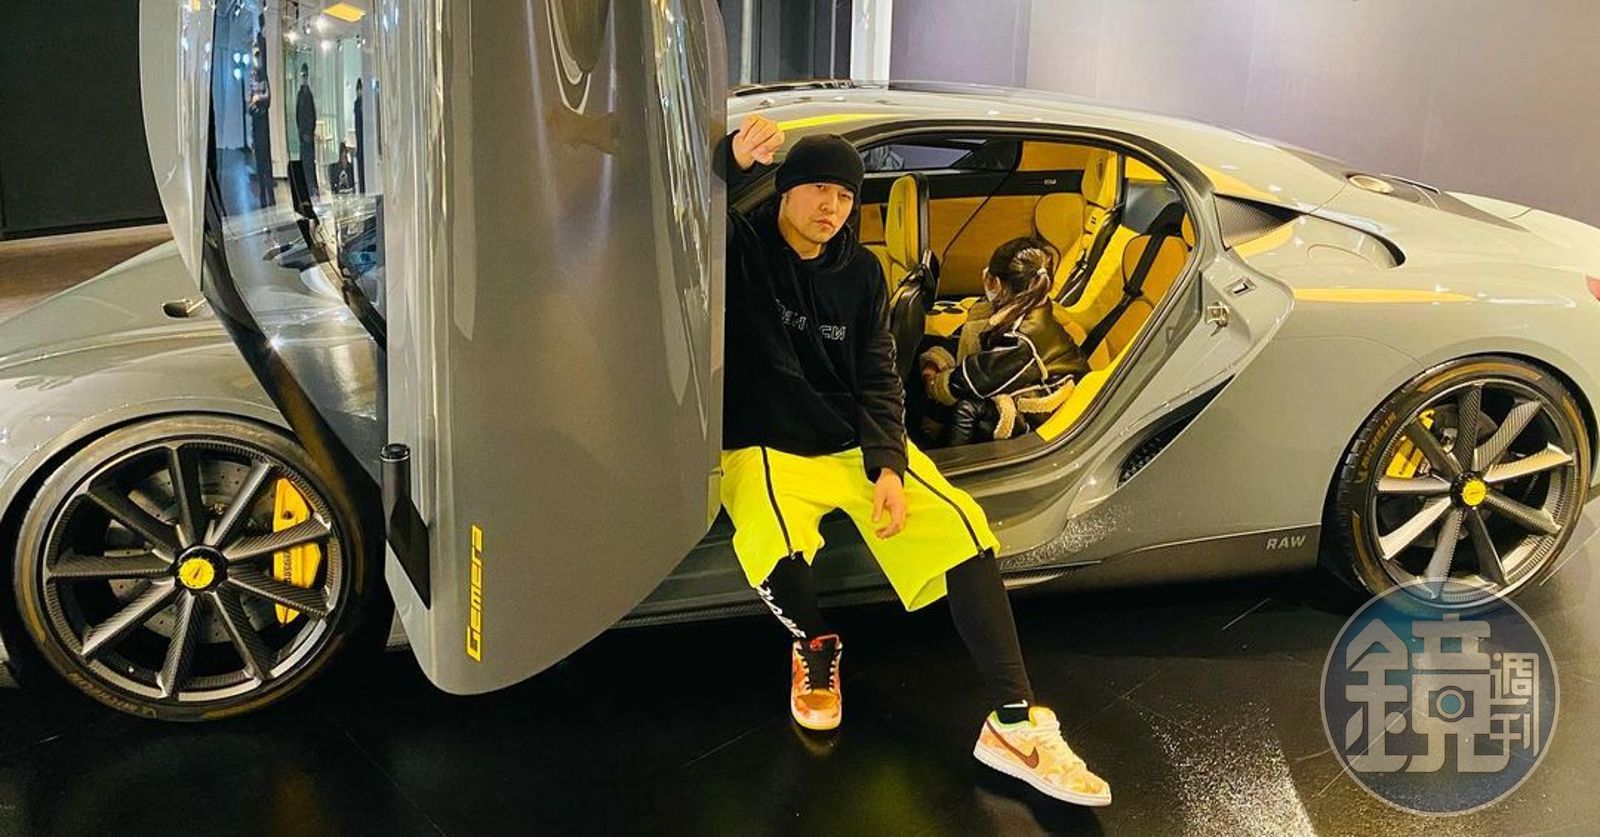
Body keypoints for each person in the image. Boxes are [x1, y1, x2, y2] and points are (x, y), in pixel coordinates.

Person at [717, 114, 1112, 807]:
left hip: (850, 438)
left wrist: (889, 467)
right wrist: (727, 164)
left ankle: (1014, 721)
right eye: (818, 190)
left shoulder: (863, 271)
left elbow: (879, 375)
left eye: (844, 196)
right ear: (786, 190)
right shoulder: (745, 246)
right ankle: (816, 645)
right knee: (771, 542)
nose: (831, 207)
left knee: (964, 529)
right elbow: (684, 221)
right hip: (766, 439)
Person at [919, 239, 1090, 445]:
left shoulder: (1023, 338)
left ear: (997, 284)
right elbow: (967, 339)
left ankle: (946, 456)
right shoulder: (1016, 307)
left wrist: (934, 383)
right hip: (1022, 381)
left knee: (966, 406)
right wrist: (936, 360)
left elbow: (973, 380)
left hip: (1044, 410)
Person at [246, 40, 273, 208]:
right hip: (256, 124)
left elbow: (266, 99)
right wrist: (255, 102)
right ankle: (263, 192)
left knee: (266, 160)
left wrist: (258, 100)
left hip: (263, 124)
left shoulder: (263, 77)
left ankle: (269, 193)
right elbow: (250, 103)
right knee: (259, 161)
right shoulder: (252, 77)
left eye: (257, 54)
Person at [295, 62, 318, 197]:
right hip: (303, 137)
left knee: (309, 163)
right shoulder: (301, 95)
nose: (304, 78)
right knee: (304, 163)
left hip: (308, 136)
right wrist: (302, 133)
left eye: (305, 75)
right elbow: (299, 116)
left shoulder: (308, 95)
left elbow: (312, 116)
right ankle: (307, 189)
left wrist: (310, 132)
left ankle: (312, 188)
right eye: (302, 75)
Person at [353, 77, 366, 193]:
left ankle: (365, 188)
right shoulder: (357, 104)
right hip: (359, 139)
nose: (359, 92)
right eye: (358, 90)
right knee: (360, 164)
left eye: (360, 90)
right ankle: (362, 189)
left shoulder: (363, 104)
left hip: (364, 139)